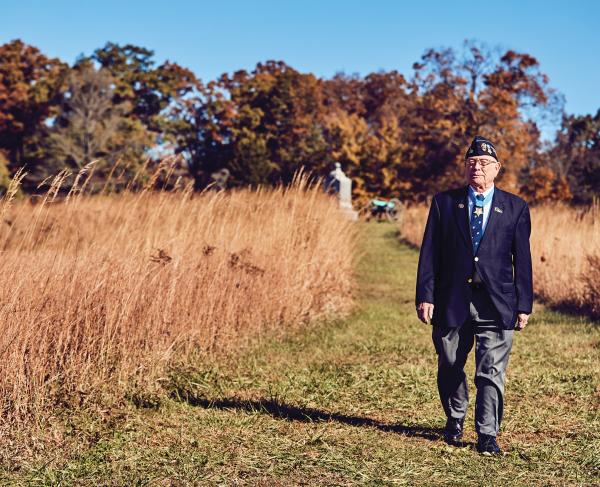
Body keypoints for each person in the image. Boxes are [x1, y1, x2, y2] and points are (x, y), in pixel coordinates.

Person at [415, 135, 533, 455]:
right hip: (452, 298)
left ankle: (487, 433)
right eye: (471, 163)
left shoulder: (516, 208)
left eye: (483, 163)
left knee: (490, 371)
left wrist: (523, 304)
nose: (476, 168)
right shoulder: (444, 203)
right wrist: (425, 295)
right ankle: (455, 418)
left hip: (496, 302)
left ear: (497, 169)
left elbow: (521, 259)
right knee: (450, 362)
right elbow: (430, 254)